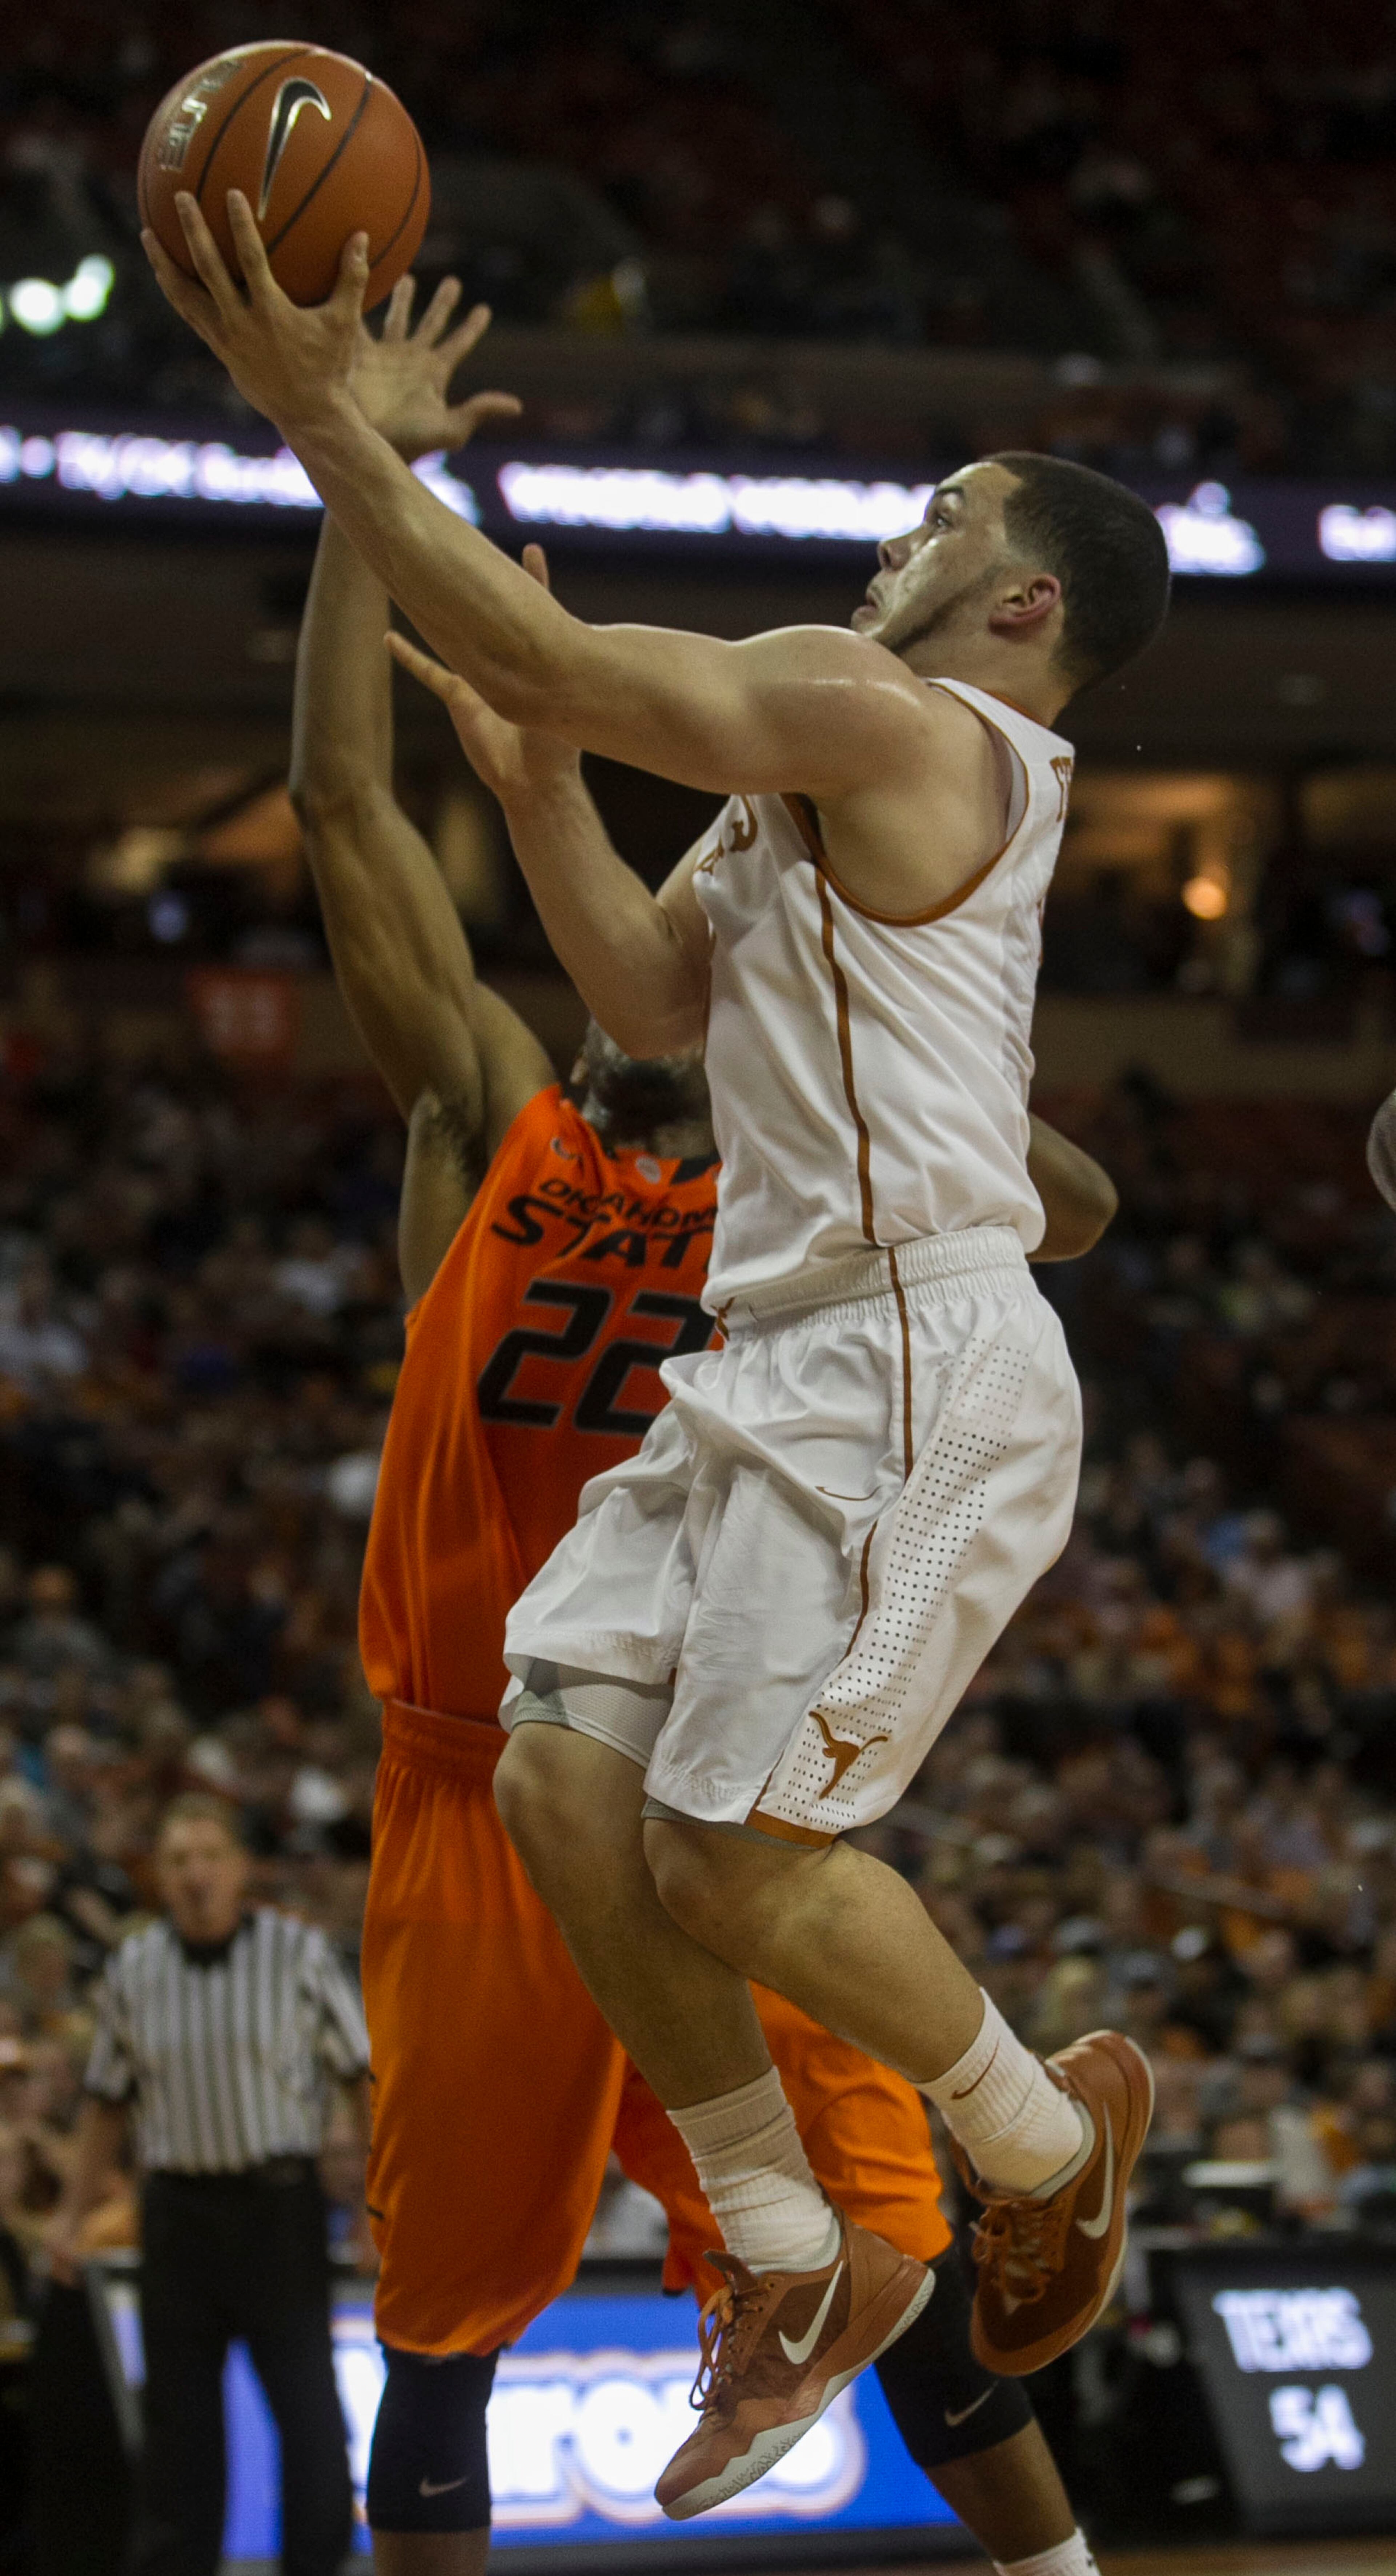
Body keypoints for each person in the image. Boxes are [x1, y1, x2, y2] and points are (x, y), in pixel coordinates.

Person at [144, 198, 1167, 2513]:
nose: (906, 534)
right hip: (770, 1359)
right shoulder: (799, 792)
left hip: (911, 1356)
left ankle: (1041, 2135)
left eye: (949, 517)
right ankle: (792, 2243)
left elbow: (581, 650)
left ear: (1022, 603)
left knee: (724, 1846)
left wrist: (329, 436)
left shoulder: (905, 714)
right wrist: (525, 790)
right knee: (554, 1767)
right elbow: (647, 1004)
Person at [50, 1795, 371, 2576]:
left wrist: (370, 2210)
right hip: (178, 2217)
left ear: (241, 1869)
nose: (195, 1875)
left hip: (279, 2209)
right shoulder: (134, 1967)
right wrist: (68, 2217)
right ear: (159, 1877)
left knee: (311, 2422)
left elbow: (362, 2079)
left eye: (209, 1857)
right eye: (178, 1861)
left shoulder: (298, 1954)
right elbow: (105, 2103)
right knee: (179, 2438)